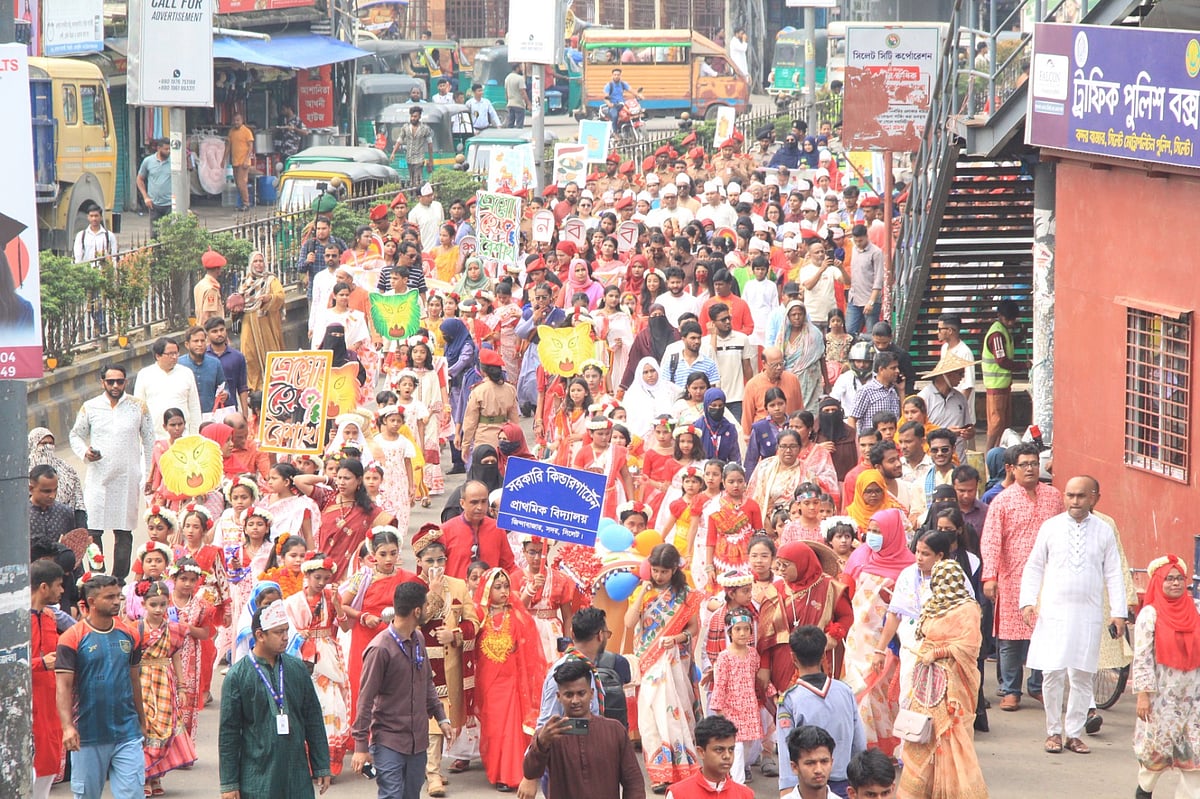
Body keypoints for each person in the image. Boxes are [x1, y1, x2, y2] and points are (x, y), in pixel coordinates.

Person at [1019, 475, 1125, 755]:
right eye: (1069, 495)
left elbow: (1114, 573)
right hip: (1053, 613)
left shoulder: (1103, 531)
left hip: (1088, 615)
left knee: (1082, 675)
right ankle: (1053, 731)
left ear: (1095, 498)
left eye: (1080, 496)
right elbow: (1034, 567)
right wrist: (1027, 602)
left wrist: (1119, 613)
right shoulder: (1050, 528)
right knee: (1052, 674)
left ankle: (1074, 734)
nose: (1074, 501)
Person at [351, 580, 455, 799]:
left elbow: (427, 681)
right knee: (392, 795)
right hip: (389, 741)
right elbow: (365, 699)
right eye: (426, 606)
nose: (428, 610)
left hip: (418, 741)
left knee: (411, 795)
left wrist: (441, 718)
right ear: (417, 611)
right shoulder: (380, 649)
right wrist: (361, 746)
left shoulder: (418, 638)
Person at [218, 599, 332, 798]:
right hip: (257, 777)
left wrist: (321, 765)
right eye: (279, 632)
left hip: (296, 773)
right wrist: (229, 783)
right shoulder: (237, 676)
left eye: (287, 630)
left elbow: (313, 718)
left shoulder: (296, 668)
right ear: (260, 635)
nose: (286, 637)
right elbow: (229, 734)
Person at [981, 442, 1063, 711]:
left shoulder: (1054, 496)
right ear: (1011, 469)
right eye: (1024, 464)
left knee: (1043, 632)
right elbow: (991, 541)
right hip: (1011, 576)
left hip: (1048, 578)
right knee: (1010, 637)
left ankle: (1037, 685)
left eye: (1034, 463)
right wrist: (989, 576)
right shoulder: (1002, 501)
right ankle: (1010, 689)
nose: (1030, 468)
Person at [896, 560, 986, 798]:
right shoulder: (933, 605)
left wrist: (936, 653)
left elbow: (969, 645)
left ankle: (953, 790)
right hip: (926, 679)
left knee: (949, 733)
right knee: (923, 731)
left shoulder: (968, 609)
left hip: (954, 681)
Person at [56, 574, 147, 799]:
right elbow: (63, 687)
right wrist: (67, 727)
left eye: (118, 596)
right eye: (109, 597)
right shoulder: (71, 638)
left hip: (127, 731)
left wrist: (142, 722)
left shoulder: (130, 634)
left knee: (133, 794)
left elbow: (134, 680)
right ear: (92, 602)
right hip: (87, 734)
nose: (117, 601)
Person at [626, 543, 702, 793]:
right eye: (655, 570)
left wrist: (677, 639)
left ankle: (681, 770)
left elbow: (692, 628)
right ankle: (659, 773)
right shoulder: (643, 592)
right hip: (648, 662)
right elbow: (629, 623)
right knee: (649, 716)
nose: (659, 576)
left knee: (672, 712)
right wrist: (641, 592)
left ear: (674, 570)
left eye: (663, 572)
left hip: (673, 661)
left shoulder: (686, 595)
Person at [70, 363, 155, 582]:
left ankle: (118, 579)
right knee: (93, 531)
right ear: (102, 383)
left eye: (120, 381)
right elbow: (75, 435)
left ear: (126, 382)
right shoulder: (91, 406)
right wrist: (85, 452)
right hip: (98, 478)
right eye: (111, 382)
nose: (115, 385)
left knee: (124, 532)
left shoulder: (138, 407)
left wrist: (149, 474)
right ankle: (98, 576)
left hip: (127, 478)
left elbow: (149, 441)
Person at [411, 526, 478, 794]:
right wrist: (435, 592)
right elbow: (416, 620)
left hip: (450, 666)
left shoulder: (460, 585)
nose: (436, 565)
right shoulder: (410, 586)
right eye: (430, 561)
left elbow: (474, 622)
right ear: (419, 562)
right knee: (430, 722)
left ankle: (431, 768)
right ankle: (433, 773)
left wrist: (455, 634)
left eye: (441, 560)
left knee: (446, 719)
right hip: (420, 664)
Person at [842, 508, 914, 754]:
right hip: (857, 639)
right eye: (870, 531)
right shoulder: (860, 557)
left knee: (882, 692)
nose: (872, 536)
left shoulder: (910, 567)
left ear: (893, 533)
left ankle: (886, 746)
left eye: (878, 532)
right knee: (859, 688)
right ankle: (861, 747)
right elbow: (845, 593)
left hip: (889, 640)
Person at [520, 658, 645, 799]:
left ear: (591, 693)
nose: (575, 701)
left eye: (581, 693)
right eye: (568, 695)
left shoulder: (614, 731)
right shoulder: (550, 734)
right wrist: (541, 743)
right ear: (558, 697)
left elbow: (633, 782)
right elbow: (530, 772)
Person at [1132, 553, 1200, 798]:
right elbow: (1142, 658)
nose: (1175, 583)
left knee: (1195, 758)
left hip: (1193, 699)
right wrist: (1143, 696)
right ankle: (1144, 791)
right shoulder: (1150, 615)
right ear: (1157, 583)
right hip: (1161, 700)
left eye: (1179, 578)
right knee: (1155, 757)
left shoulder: (1196, 611)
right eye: (1169, 579)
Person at [474, 567, 547, 792]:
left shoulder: (515, 615)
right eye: (498, 587)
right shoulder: (479, 615)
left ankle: (510, 774)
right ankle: (496, 771)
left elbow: (529, 648)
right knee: (494, 728)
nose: (504, 591)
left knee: (511, 729)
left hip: (512, 681)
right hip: (488, 682)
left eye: (506, 586)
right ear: (487, 590)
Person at [775, 627, 866, 798]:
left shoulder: (790, 699)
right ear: (824, 655)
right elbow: (859, 744)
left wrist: (787, 786)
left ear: (793, 658)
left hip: (808, 786)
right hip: (846, 784)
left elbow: (786, 747)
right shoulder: (845, 691)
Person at [708, 607, 762, 785]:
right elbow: (720, 684)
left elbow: (757, 678)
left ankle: (731, 781)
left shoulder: (753, 654)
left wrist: (772, 692)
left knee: (747, 748)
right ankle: (738, 787)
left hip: (749, 708)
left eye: (746, 629)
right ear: (730, 631)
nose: (743, 633)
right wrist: (719, 709)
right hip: (731, 709)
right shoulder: (725, 657)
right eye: (738, 629)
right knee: (736, 748)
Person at [31, 559, 64, 799]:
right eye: (59, 585)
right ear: (44, 587)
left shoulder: (52, 617)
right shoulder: (13, 619)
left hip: (51, 702)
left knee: (49, 759)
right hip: (26, 702)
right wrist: (41, 663)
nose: (62, 591)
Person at [664, 715, 753, 799]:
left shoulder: (745, 795)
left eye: (731, 749)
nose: (727, 756)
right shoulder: (678, 794)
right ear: (701, 752)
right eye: (719, 749)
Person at [442, 480, 516, 578]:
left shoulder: (497, 528)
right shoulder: (445, 530)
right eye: (474, 502)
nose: (480, 507)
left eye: (484, 501)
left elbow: (508, 566)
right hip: (457, 592)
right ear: (462, 503)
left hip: (490, 591)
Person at [982, 299, 1029, 450]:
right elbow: (1002, 360)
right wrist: (1023, 365)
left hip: (1003, 385)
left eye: (1013, 319)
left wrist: (1020, 336)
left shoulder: (1003, 332)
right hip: (996, 386)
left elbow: (1007, 346)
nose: (1011, 322)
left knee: (1003, 424)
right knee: (996, 423)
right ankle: (989, 453)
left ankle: (998, 451)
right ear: (1000, 316)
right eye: (1008, 319)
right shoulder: (996, 334)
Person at [236, 252, 286, 391]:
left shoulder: (271, 280)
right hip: (248, 322)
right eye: (255, 261)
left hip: (267, 322)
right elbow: (239, 302)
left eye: (261, 261)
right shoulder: (245, 282)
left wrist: (269, 298)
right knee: (249, 355)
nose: (258, 264)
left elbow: (280, 296)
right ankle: (254, 388)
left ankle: (275, 387)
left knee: (271, 354)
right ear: (251, 264)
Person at [135, 337, 202, 439]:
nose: (174, 357)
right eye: (170, 354)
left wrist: (196, 435)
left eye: (176, 353)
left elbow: (194, 407)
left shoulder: (186, 373)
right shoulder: (144, 374)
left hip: (183, 436)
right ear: (158, 356)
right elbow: (139, 408)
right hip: (156, 437)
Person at [847, 352, 901, 435]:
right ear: (881, 369)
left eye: (897, 367)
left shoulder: (893, 392)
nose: (897, 371)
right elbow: (852, 419)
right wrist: (855, 444)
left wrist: (902, 390)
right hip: (871, 443)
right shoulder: (866, 391)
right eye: (893, 368)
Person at [180, 324, 227, 421]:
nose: (200, 344)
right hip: (187, 418)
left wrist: (225, 394)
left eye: (202, 341)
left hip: (210, 416)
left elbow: (223, 386)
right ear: (187, 345)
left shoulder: (215, 363)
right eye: (196, 341)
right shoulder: (179, 365)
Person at [390, 106, 435, 186]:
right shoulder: (405, 128)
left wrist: (431, 159)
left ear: (419, 117)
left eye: (415, 116)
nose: (413, 118)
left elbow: (430, 144)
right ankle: (413, 194)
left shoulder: (425, 129)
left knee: (418, 178)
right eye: (412, 116)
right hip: (409, 158)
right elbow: (399, 140)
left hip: (419, 158)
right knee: (411, 179)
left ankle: (417, 193)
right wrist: (393, 153)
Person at [137, 138, 172, 227]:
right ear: (159, 148)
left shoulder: (173, 162)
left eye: (169, 149)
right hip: (154, 204)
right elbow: (140, 179)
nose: (168, 151)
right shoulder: (148, 161)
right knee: (155, 234)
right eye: (166, 149)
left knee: (170, 233)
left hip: (170, 204)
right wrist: (146, 197)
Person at [225, 113, 255, 210]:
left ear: (242, 120)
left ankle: (246, 203)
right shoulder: (231, 132)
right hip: (235, 162)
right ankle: (241, 203)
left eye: (238, 120)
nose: (236, 122)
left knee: (242, 183)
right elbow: (228, 146)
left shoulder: (247, 131)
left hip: (243, 162)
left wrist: (247, 159)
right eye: (235, 120)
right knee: (238, 184)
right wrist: (223, 159)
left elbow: (250, 147)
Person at [195, 249, 226, 326]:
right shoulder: (211, 289)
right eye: (220, 268)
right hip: (212, 330)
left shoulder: (200, 284)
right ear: (217, 269)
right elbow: (206, 315)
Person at [504, 64, 529, 128]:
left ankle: (510, 137)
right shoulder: (520, 78)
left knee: (510, 124)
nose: (522, 69)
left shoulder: (507, 78)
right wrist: (528, 103)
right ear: (517, 68)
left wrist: (508, 102)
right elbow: (523, 92)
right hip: (519, 105)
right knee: (519, 125)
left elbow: (506, 92)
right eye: (521, 67)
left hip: (510, 104)